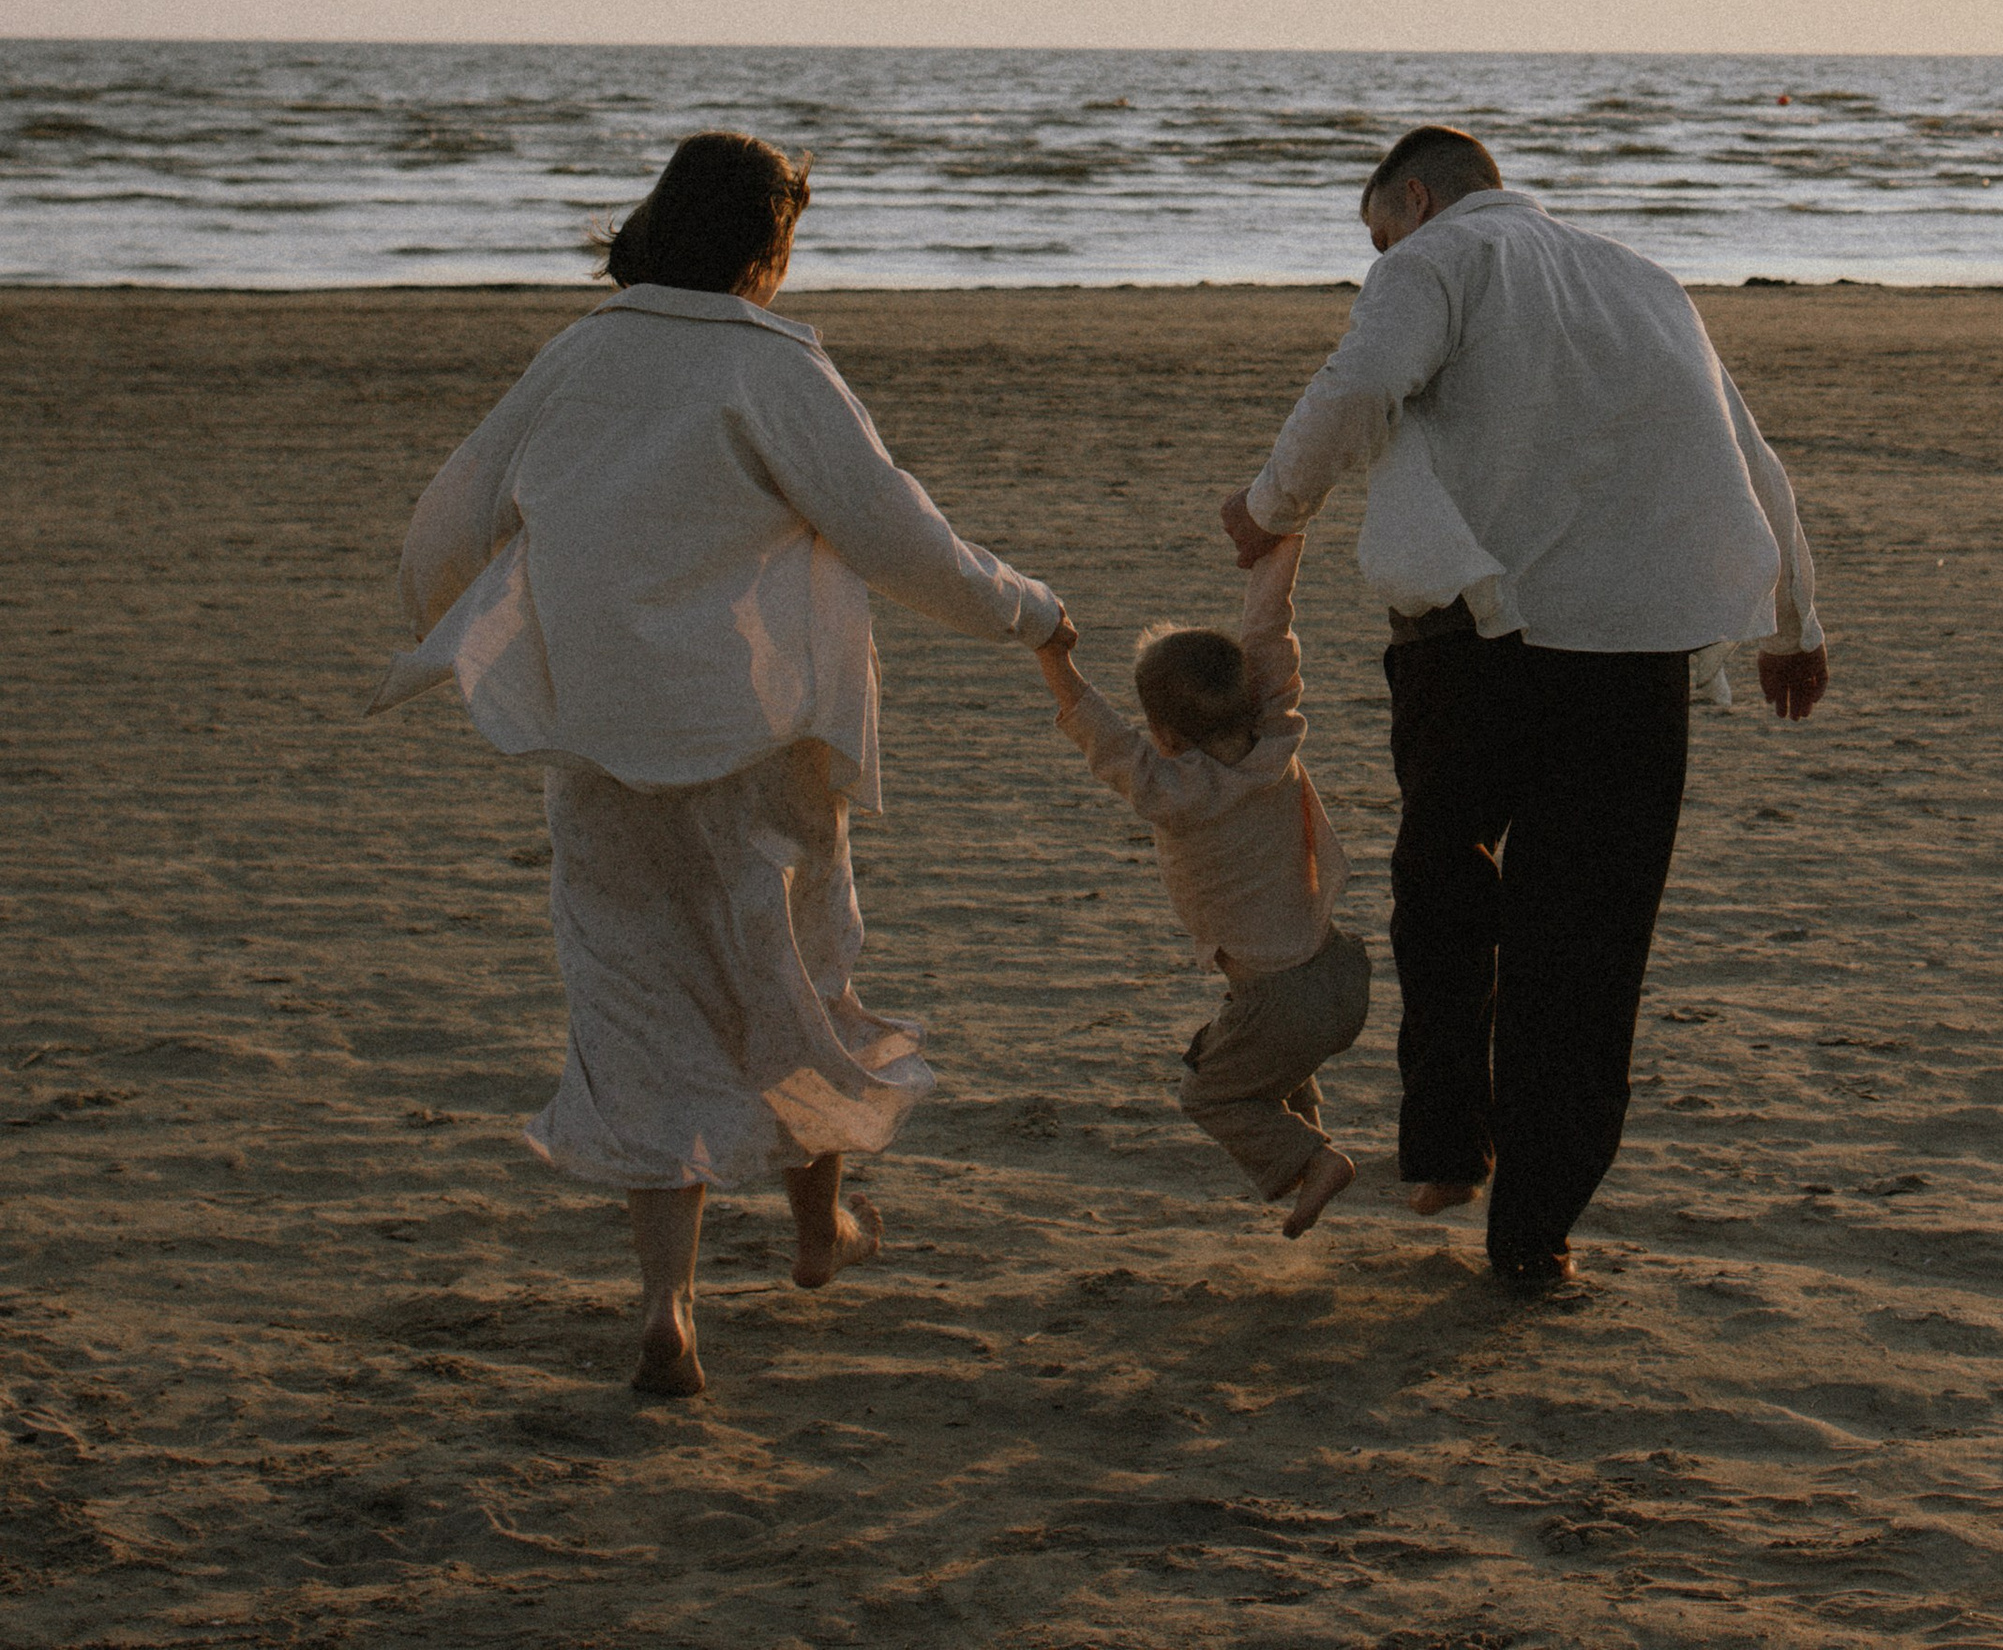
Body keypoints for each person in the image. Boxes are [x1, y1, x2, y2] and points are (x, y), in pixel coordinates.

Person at [371, 129, 1067, 1398]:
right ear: (769, 243)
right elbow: (896, 533)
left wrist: (449, 626)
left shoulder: (581, 352)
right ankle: (818, 1229)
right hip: (762, 739)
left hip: (599, 738)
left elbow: (456, 513)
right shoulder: (776, 365)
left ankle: (668, 1308)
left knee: (635, 1002)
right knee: (793, 974)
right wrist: (1028, 611)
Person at [1218, 125, 1826, 1298]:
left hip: (1477, 643)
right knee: (1586, 949)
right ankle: (1534, 1233)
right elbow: (1750, 457)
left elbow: (1360, 386)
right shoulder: (1643, 282)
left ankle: (1452, 1143)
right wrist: (1796, 623)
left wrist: (1271, 505)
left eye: (1375, 236)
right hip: (1631, 658)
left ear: (1414, 197)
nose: (1377, 259)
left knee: (1442, 885)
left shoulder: (1438, 256)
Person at [1035, 532, 1370, 1238]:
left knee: (1209, 1095)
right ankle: (1304, 1144)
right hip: (1340, 973)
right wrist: (1281, 538)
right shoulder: (1278, 735)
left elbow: (1102, 738)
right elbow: (1269, 632)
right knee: (1254, 1062)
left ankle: (1315, 1161)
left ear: (1165, 734)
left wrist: (1052, 656)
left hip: (1279, 1001)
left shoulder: (1174, 791)